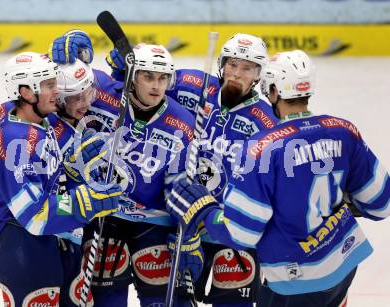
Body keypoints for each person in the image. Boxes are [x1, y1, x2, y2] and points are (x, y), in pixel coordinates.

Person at [165, 49, 390, 307]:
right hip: (344, 262)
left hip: (292, 278)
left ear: (272, 91)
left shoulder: (260, 148)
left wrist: (205, 210)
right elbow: (381, 204)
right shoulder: (343, 130)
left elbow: (242, 233)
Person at [107, 33, 276, 306]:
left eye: (246, 68)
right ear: (221, 64)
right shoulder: (192, 86)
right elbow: (150, 82)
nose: (236, 74)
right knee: (177, 300)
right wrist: (123, 70)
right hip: (186, 223)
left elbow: (270, 182)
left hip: (230, 227)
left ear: (258, 74)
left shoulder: (266, 121)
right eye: (232, 65)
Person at [51, 34, 200, 306]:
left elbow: (180, 184)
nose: (156, 87)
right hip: (106, 214)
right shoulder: (105, 91)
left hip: (153, 220)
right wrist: (67, 50)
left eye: (162, 78)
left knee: (163, 299)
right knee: (107, 298)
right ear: (132, 77)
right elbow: (59, 81)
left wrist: (188, 232)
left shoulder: (181, 122)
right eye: (148, 77)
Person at [0, 51, 121, 307]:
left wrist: (71, 168)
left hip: (49, 239)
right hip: (23, 244)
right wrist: (86, 200)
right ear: (27, 93)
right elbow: (34, 213)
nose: (57, 92)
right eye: (49, 85)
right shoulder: (18, 143)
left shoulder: (32, 120)